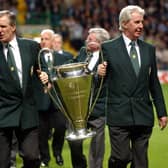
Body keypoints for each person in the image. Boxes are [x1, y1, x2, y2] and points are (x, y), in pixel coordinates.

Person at [98, 5, 168, 168]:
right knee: (121, 157)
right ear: (124, 24)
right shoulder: (108, 48)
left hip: (142, 113)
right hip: (119, 114)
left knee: (141, 163)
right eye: (136, 22)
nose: (141, 26)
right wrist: (99, 74)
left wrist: (162, 112)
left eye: (142, 22)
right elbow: (100, 83)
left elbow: (154, 83)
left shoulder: (149, 49)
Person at [0, 10, 47, 168]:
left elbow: (43, 70)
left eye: (3, 26)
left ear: (13, 27)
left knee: (32, 157)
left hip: (27, 109)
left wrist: (46, 78)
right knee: (2, 162)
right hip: (2, 110)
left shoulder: (31, 46)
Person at [33, 29, 73, 167]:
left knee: (61, 127)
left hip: (58, 101)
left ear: (52, 41)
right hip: (40, 100)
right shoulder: (34, 57)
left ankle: (57, 151)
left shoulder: (62, 58)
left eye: (46, 38)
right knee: (42, 133)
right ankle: (45, 158)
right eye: (42, 39)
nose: (43, 41)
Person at [74, 27, 110, 168]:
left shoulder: (107, 56)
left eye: (90, 39)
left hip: (97, 106)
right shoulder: (83, 52)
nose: (87, 40)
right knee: (74, 142)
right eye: (87, 38)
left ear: (101, 42)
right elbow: (73, 63)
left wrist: (97, 75)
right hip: (78, 107)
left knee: (97, 145)